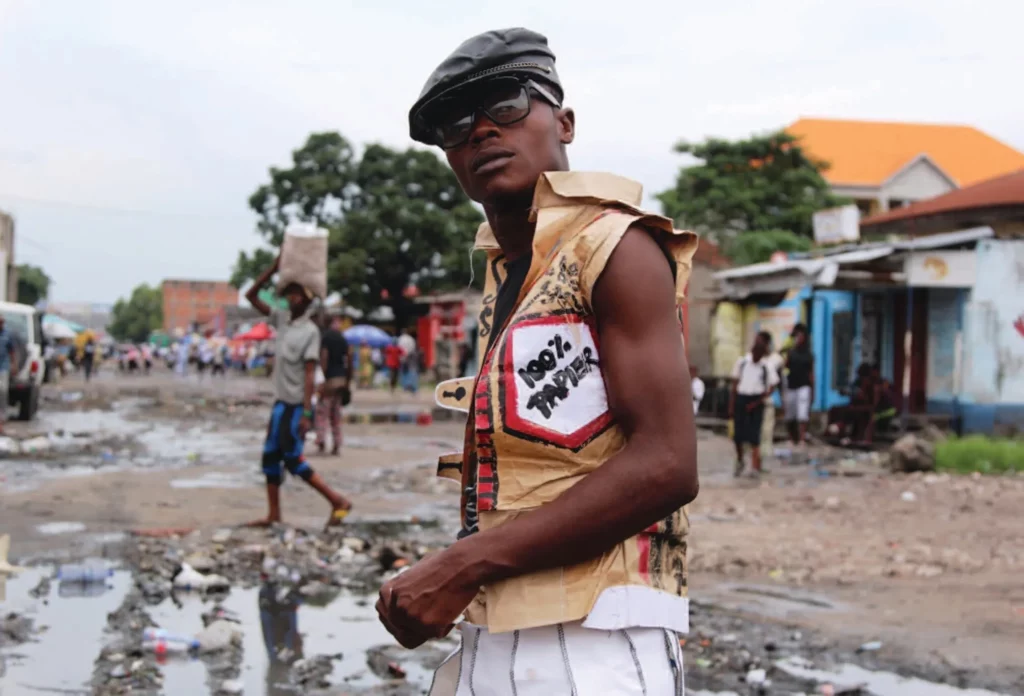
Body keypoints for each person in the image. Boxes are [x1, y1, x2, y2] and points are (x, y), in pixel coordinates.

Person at [378, 29, 698, 695]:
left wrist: (462, 564)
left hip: (599, 633)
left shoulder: (617, 247)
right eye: (454, 123)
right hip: (504, 617)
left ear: (565, 121)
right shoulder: (512, 271)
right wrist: (466, 569)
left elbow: (667, 463)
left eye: (506, 103)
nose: (482, 131)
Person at [244, 255, 353, 528]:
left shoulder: (310, 332)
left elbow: (309, 373)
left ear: (305, 300)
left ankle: (337, 500)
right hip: (280, 404)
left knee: (292, 459)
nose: (291, 298)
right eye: (289, 293)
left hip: (296, 406)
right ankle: (273, 515)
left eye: (296, 294)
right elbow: (251, 294)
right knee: (270, 457)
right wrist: (273, 268)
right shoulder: (281, 321)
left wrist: (307, 412)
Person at [730, 331, 779, 477]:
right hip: (742, 398)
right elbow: (735, 384)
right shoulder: (742, 362)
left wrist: (758, 401)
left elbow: (772, 386)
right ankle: (740, 460)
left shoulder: (766, 366)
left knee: (754, 436)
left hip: (757, 401)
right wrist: (732, 405)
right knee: (738, 436)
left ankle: (755, 466)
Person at [316, 314, 351, 455]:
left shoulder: (326, 337)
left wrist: (323, 378)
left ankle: (321, 441)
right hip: (341, 379)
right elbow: (349, 357)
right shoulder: (342, 338)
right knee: (336, 414)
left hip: (330, 380)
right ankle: (337, 443)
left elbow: (324, 357)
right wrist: (348, 380)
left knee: (322, 412)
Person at [783, 323, 814, 446]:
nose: (798, 338)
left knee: (802, 413)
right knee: (790, 414)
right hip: (791, 385)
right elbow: (784, 367)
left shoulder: (808, 355)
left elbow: (812, 373)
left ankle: (801, 438)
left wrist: (813, 390)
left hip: (804, 385)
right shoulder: (791, 353)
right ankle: (791, 438)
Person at [0, 316, 19, 433]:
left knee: (2, 390)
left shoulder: (7, 335)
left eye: (2, 323)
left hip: (3, 367)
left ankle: (3, 414)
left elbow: (12, 351)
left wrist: (14, 365)